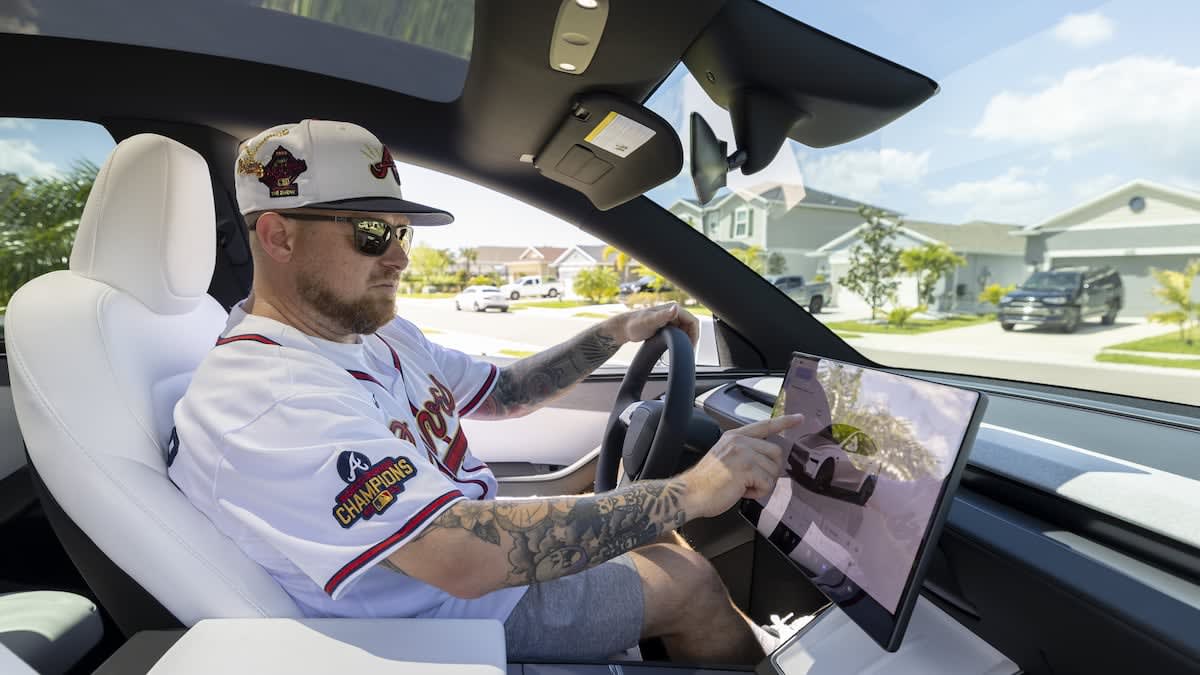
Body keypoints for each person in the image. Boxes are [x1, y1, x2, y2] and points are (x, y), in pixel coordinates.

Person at [168, 119, 804, 664]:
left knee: (659, 536)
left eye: (401, 233)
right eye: (371, 234)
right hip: (437, 620)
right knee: (689, 582)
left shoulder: (375, 335)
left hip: (455, 578)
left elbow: (505, 393)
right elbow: (457, 557)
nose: (399, 258)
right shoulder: (266, 396)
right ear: (278, 236)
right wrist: (694, 491)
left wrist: (613, 332)